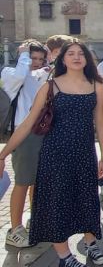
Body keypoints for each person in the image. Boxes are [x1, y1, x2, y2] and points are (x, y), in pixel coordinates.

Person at [0, 39, 103, 267]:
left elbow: (101, 122)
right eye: (71, 54)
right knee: (56, 200)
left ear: (87, 59)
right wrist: (3, 154)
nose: (77, 57)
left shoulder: (97, 85)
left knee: (87, 197)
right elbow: (28, 123)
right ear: (63, 59)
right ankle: (64, 256)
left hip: (84, 152)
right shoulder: (50, 86)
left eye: (81, 53)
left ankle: (91, 244)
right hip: (54, 153)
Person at [1, 40, 49, 248]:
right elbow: (20, 76)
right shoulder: (11, 73)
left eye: (39, 59)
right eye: (32, 58)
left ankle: (35, 220)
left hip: (42, 132)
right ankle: (15, 229)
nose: (35, 63)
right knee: (22, 182)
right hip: (23, 132)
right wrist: (23, 55)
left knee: (37, 181)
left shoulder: (40, 75)